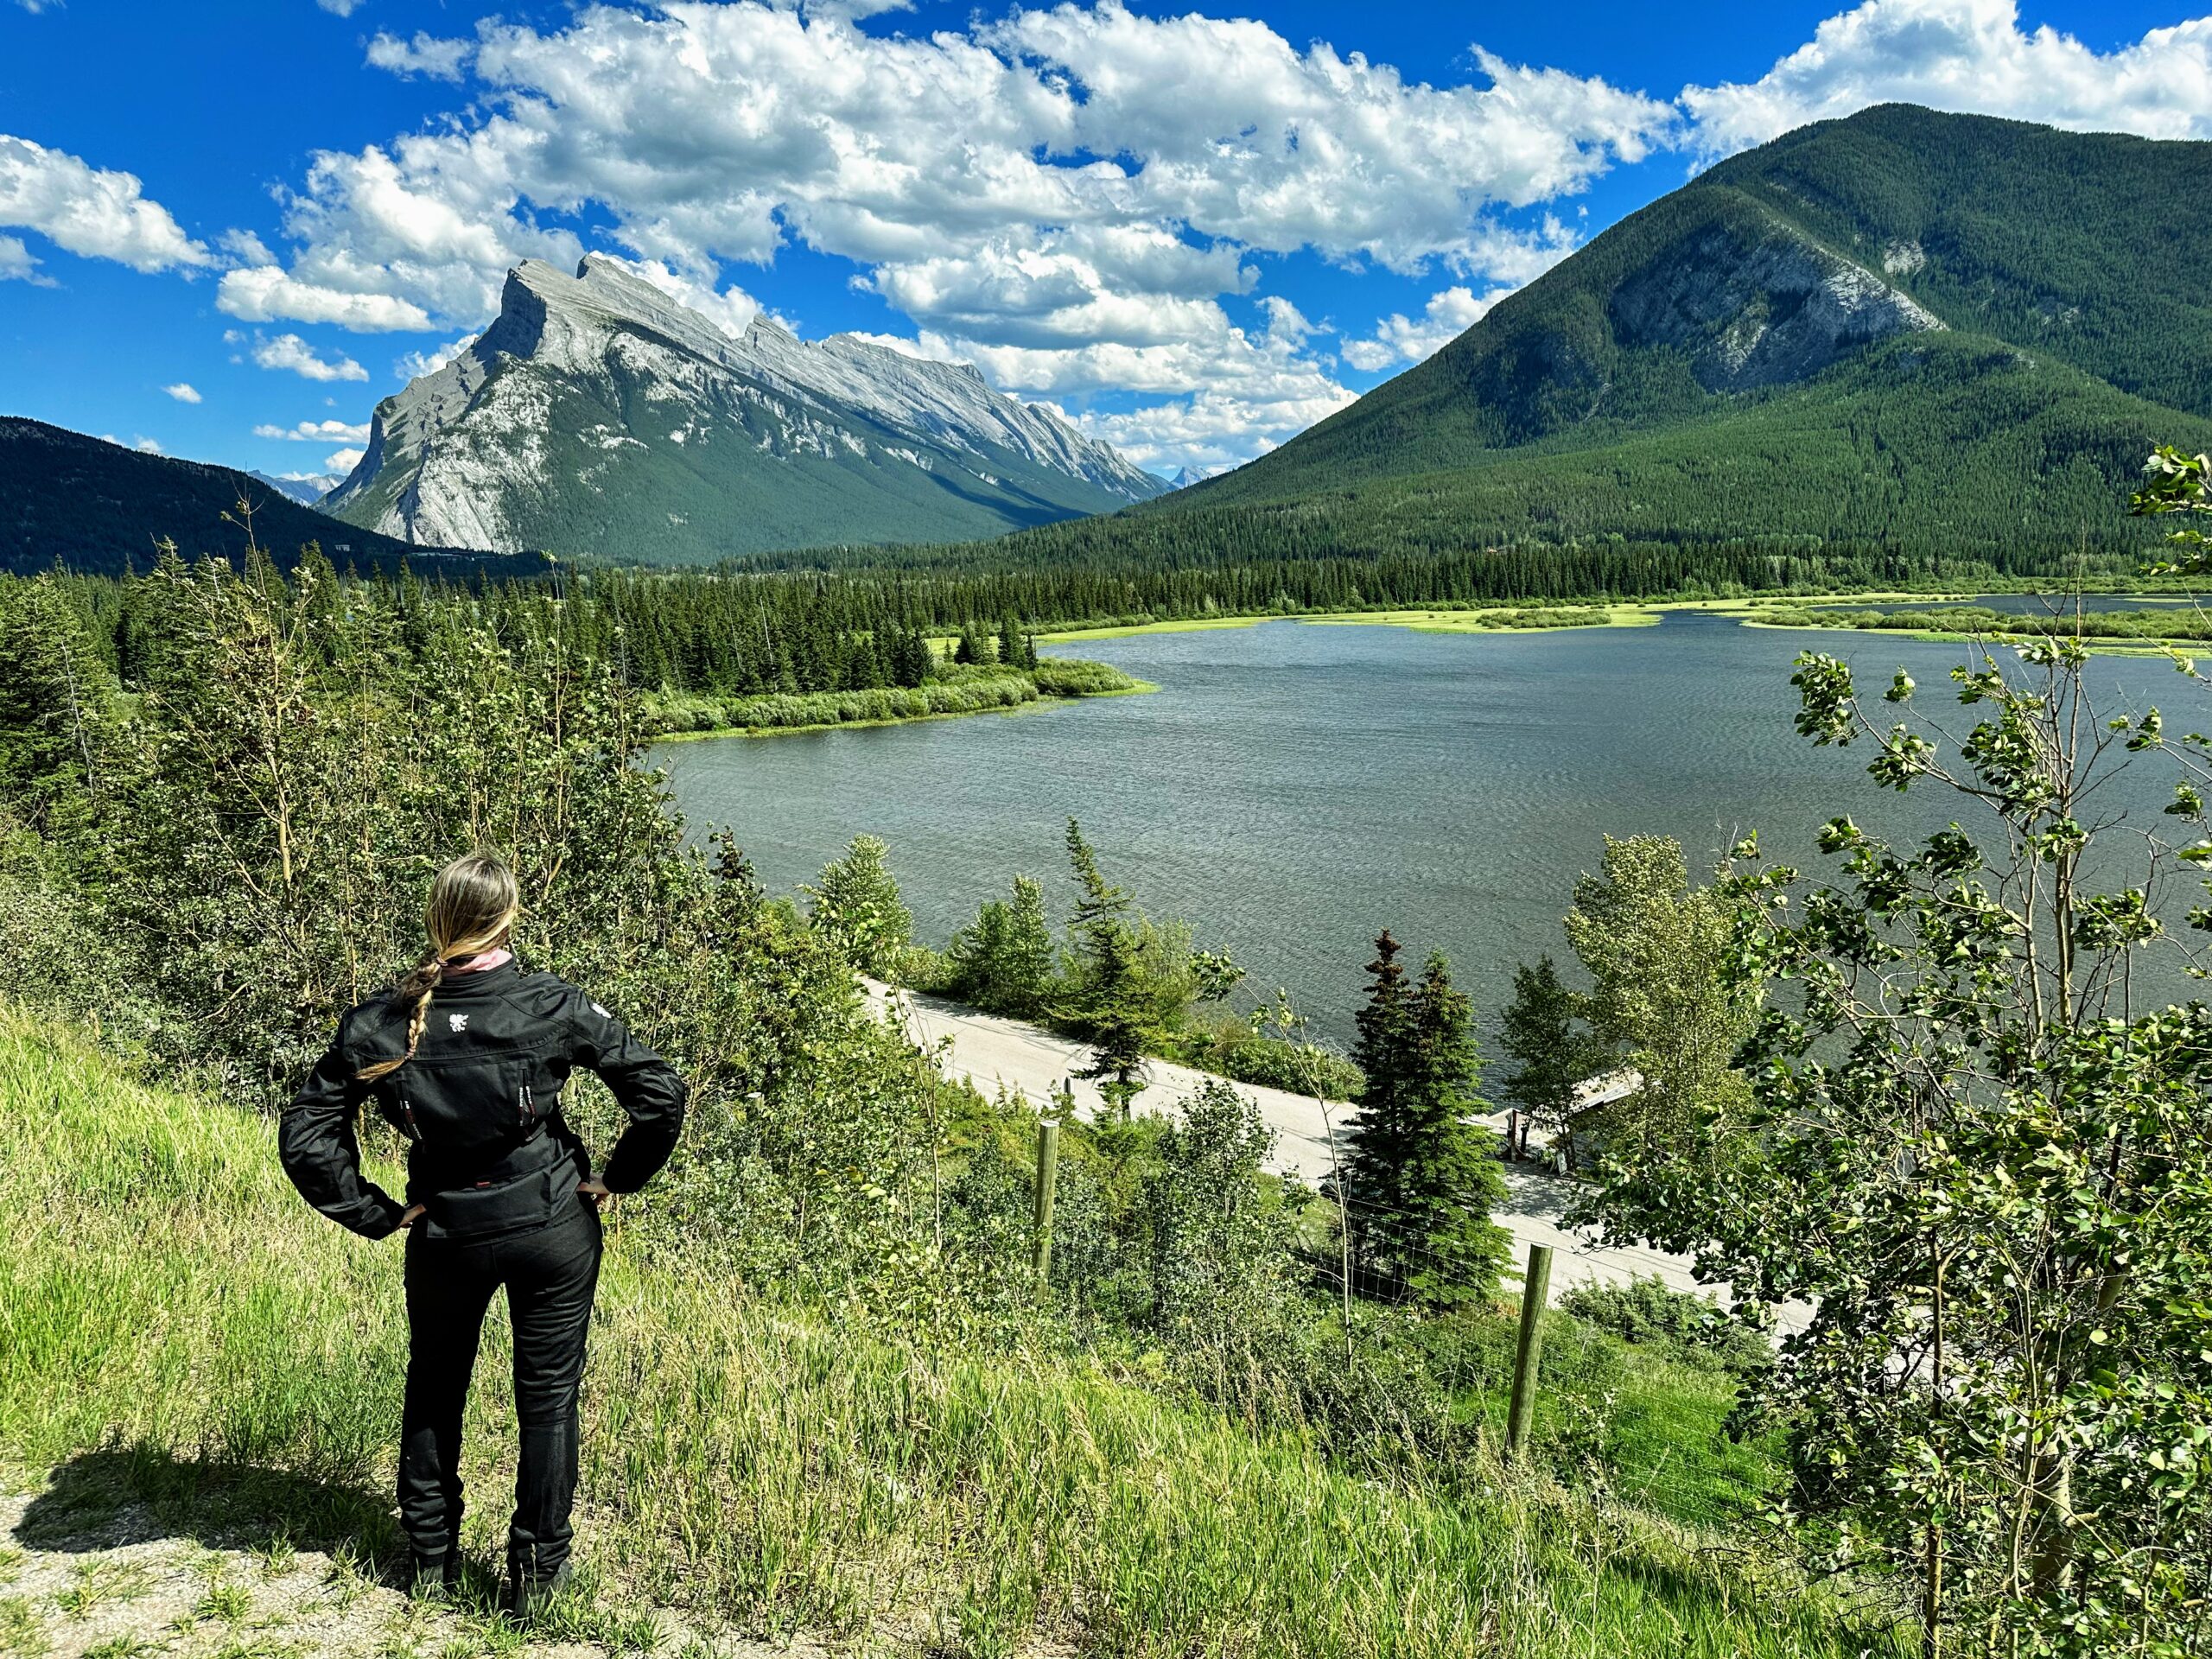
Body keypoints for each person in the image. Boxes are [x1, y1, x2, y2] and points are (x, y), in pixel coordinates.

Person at [279, 852, 687, 1618]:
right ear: (507, 919)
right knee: (548, 1398)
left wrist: (373, 1210)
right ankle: (537, 1578)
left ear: (437, 918)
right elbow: (660, 1095)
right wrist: (618, 1179)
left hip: (445, 1232)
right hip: (551, 1226)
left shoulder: (382, 1020)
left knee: (436, 1386)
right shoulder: (551, 1003)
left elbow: (307, 1133)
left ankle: (427, 1561)